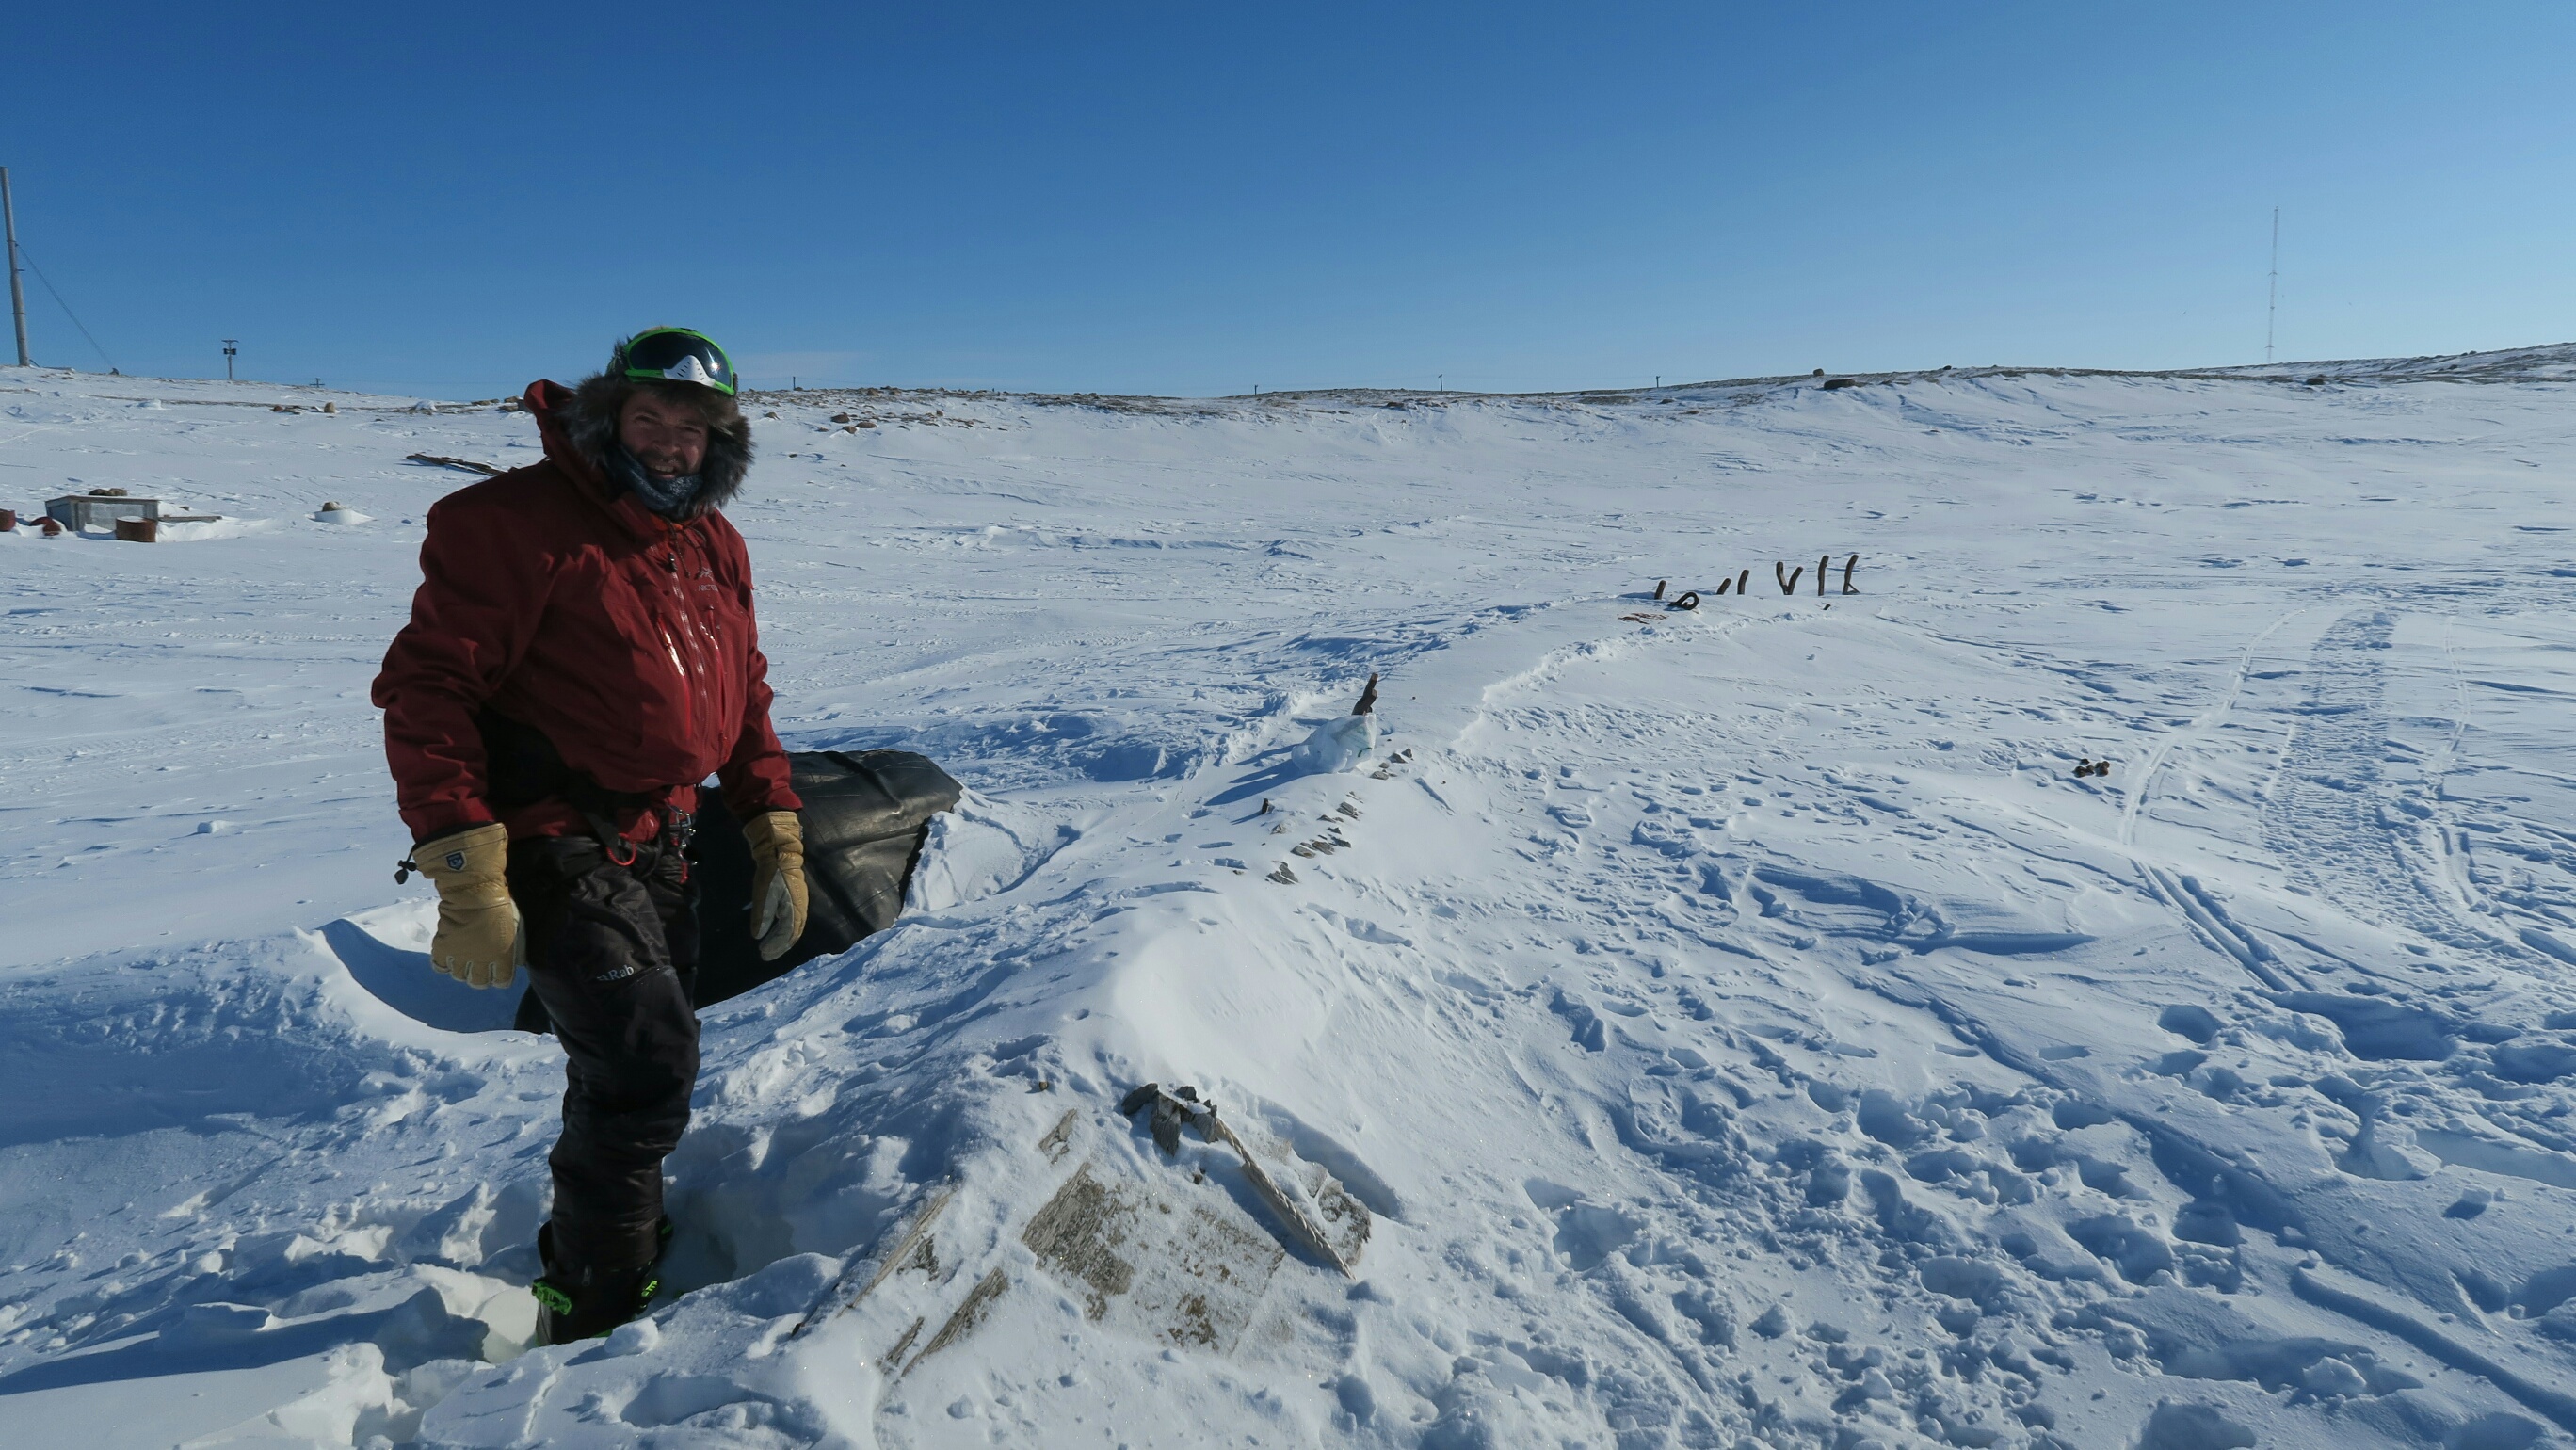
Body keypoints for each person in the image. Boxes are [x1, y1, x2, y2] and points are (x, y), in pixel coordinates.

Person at [372, 327, 809, 1343]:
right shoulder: (514, 523)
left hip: (665, 838)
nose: (666, 441)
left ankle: (612, 1235)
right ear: (607, 420)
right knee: (646, 1061)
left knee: (630, 1065)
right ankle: (596, 1298)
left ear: (717, 441)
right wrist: (466, 869)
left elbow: (743, 693)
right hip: (553, 835)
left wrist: (773, 821)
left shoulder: (713, 540)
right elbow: (427, 691)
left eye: (690, 426)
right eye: (646, 418)